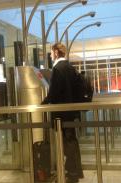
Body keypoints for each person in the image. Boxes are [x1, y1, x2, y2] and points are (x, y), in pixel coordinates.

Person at [42, 43, 84, 183]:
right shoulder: (70, 68)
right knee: (72, 141)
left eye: (51, 52)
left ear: (55, 52)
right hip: (71, 112)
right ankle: (75, 172)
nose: (50, 55)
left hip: (61, 114)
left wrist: (43, 102)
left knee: (66, 144)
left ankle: (71, 174)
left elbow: (53, 93)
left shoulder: (57, 68)